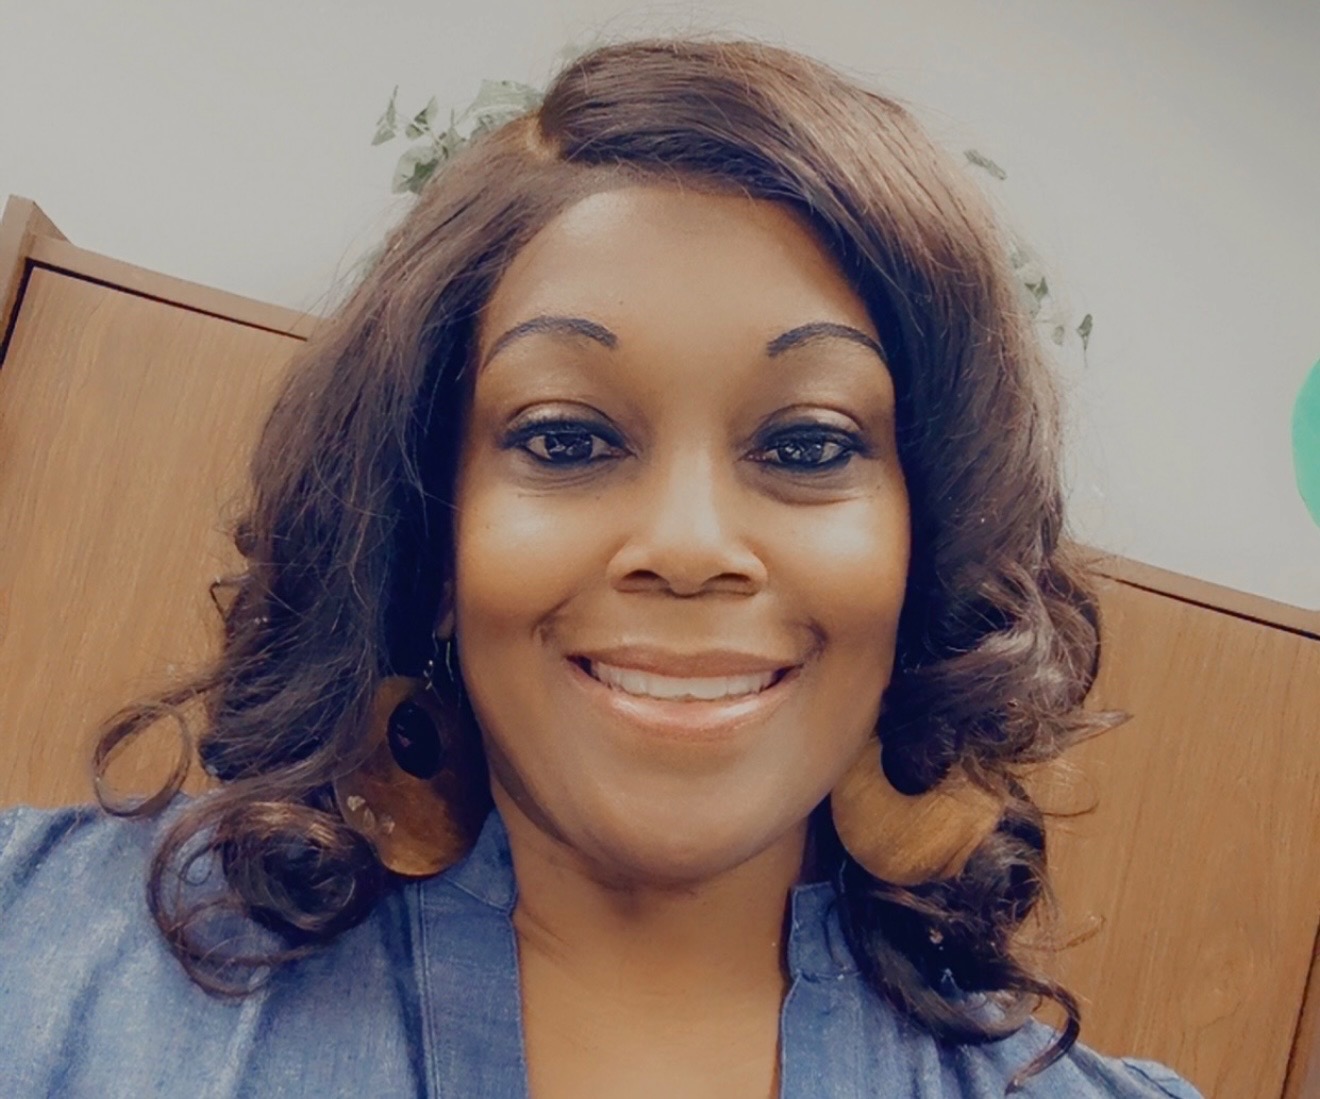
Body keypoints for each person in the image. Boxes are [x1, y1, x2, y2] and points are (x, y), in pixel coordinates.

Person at [0, 36, 1202, 1099]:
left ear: (925, 547)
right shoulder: (34, 950)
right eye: (567, 439)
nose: (688, 546)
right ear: (431, 528)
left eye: (807, 445)